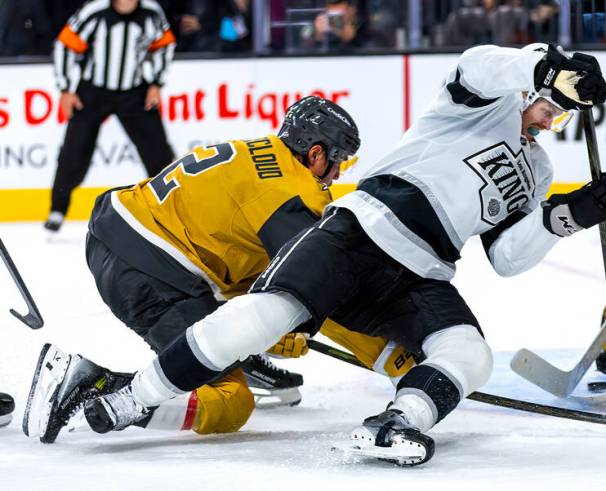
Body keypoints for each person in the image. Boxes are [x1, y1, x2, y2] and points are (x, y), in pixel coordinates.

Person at [28, 42, 606, 466]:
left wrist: (567, 217)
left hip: (424, 267)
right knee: (269, 323)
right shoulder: (475, 104)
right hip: (362, 225)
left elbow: (508, 257)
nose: (555, 115)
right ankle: (132, 396)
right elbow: (474, 65)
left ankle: (400, 421)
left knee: (469, 352)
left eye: (564, 111)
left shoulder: (539, 167)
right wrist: (546, 63)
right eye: (549, 99)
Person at [22, 96, 362, 444]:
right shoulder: (292, 193)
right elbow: (322, 286)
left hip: (116, 229)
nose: (337, 174)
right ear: (316, 154)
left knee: (249, 295)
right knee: (232, 403)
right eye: (338, 162)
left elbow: (246, 273)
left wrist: (256, 335)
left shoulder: (257, 152)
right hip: (150, 271)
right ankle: (94, 387)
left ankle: (238, 357)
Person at [45, 0, 176, 232]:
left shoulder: (151, 13)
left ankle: (174, 208)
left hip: (134, 92)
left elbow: (164, 45)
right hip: (93, 92)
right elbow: (65, 45)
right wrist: (65, 89)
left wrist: (156, 83)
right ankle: (58, 208)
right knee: (74, 152)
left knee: (158, 152)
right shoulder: (94, 11)